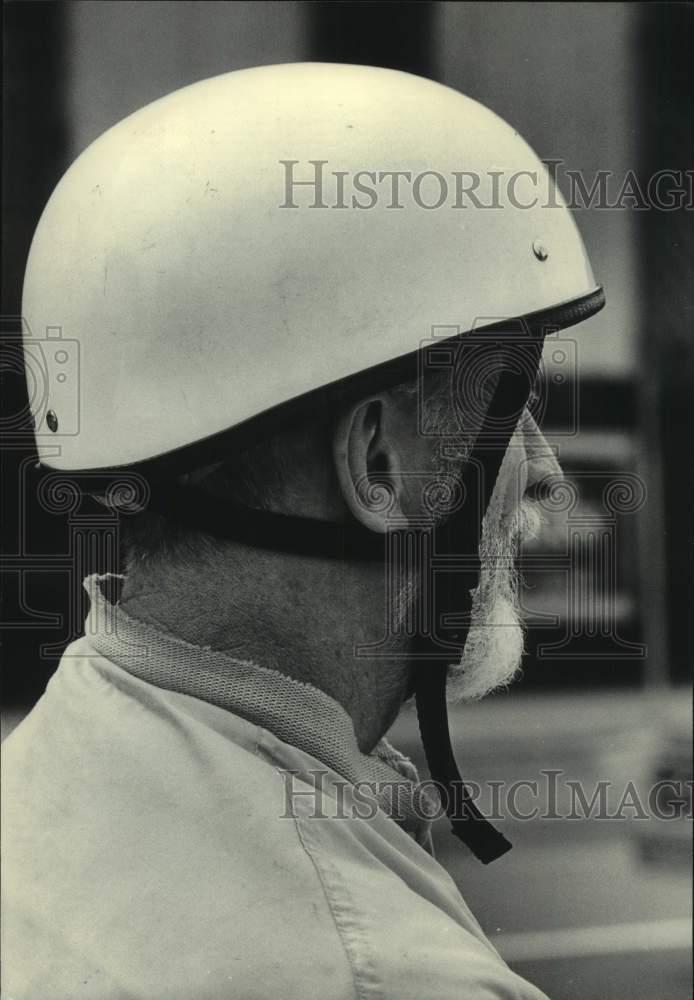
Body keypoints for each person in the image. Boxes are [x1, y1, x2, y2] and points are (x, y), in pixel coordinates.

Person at [2, 63, 604, 999]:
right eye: (509, 409)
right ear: (375, 465)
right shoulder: (379, 976)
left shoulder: (41, 780)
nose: (548, 470)